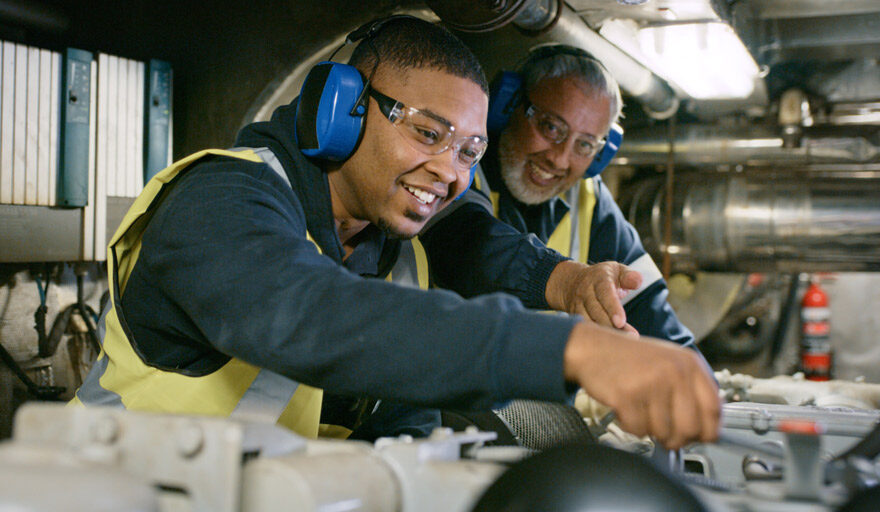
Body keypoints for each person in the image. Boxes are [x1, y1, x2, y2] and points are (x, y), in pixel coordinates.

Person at [71, 16, 718, 450]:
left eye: (469, 150)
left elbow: (404, 428)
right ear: (343, 110)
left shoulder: (402, 261)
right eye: (428, 133)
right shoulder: (221, 201)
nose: (452, 173)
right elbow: (311, 317)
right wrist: (571, 349)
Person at [420, 44, 694, 346]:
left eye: (585, 145)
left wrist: (694, 376)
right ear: (507, 104)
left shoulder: (589, 197)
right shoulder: (457, 168)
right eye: (551, 127)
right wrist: (567, 282)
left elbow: (651, 314)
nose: (560, 159)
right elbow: (469, 249)